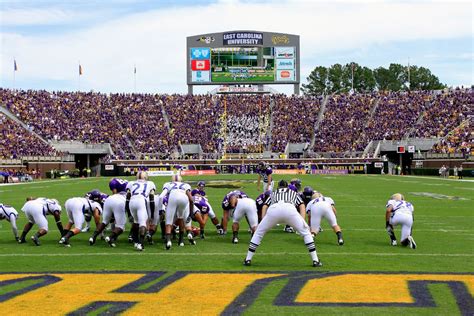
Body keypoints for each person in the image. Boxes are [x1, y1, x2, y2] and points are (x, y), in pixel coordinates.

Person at [243, 180, 322, 267]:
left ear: (278, 187)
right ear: (287, 187)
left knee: (258, 233)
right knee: (306, 233)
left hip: (273, 210)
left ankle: (248, 259)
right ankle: (315, 260)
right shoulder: (292, 192)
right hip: (290, 210)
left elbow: (265, 205)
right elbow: (301, 205)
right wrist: (302, 220)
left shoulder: (273, 193)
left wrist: (263, 219)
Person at [158, 174, 195, 249]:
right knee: (180, 217)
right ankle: (181, 241)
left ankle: (168, 241)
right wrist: (191, 214)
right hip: (184, 199)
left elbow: (161, 197)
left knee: (168, 222)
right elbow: (191, 200)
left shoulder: (168, 184)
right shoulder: (185, 185)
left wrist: (160, 210)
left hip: (173, 198)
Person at [89, 178, 128, 247]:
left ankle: (93, 237)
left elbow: (114, 192)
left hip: (109, 199)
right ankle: (110, 238)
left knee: (104, 222)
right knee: (121, 226)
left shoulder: (113, 183)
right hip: (120, 200)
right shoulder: (127, 183)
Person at [125, 171, 156, 251]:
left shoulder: (131, 183)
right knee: (143, 223)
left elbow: (127, 197)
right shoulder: (150, 183)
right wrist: (152, 214)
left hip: (132, 201)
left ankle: (136, 241)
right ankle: (141, 244)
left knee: (136, 221)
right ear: (145, 177)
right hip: (141, 200)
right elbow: (152, 199)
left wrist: (128, 212)